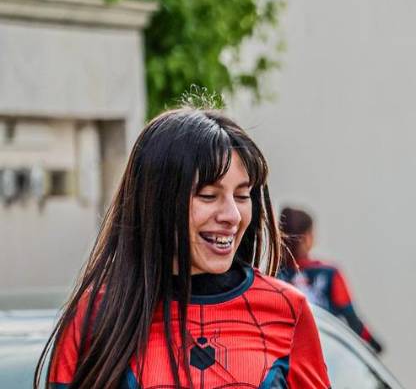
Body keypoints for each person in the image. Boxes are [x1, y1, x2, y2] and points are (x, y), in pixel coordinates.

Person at [37, 107, 330, 388]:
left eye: (242, 196)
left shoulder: (288, 310)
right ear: (156, 201)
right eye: (208, 195)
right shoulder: (95, 314)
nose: (232, 215)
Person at [278, 206, 385, 354]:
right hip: (323, 355)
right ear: (308, 237)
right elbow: (352, 319)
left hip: (284, 355)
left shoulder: (273, 275)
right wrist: (374, 345)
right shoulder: (329, 274)